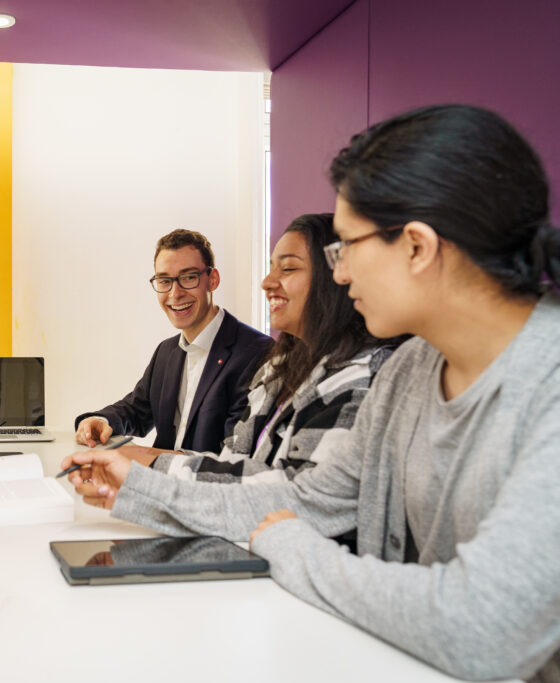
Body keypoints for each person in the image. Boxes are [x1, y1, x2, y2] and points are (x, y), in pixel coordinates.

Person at [62, 105, 560, 682]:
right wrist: (136, 487)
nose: (340, 275)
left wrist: (291, 546)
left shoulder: (543, 387)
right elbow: (306, 500)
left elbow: (482, 628)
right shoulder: (411, 371)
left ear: (418, 247)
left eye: (345, 247)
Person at [149, 213, 399, 487]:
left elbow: (294, 493)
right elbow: (235, 460)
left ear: (336, 276)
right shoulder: (277, 367)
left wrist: (151, 464)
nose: (267, 282)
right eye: (164, 281)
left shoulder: (361, 380)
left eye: (288, 269)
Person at [73, 229, 271, 454]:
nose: (175, 294)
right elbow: (136, 410)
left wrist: (141, 460)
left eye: (188, 277)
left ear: (212, 280)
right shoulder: (166, 351)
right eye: (165, 280)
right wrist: (102, 420)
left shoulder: (258, 355)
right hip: (159, 481)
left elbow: (235, 456)